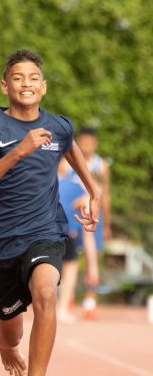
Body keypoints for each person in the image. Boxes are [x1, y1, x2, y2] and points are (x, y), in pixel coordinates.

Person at [0, 49, 99, 376]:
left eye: (33, 77)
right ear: (5, 85)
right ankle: (5, 340)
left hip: (45, 232)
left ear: (44, 86)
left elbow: (69, 145)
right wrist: (20, 151)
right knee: (12, 329)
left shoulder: (58, 126)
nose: (27, 83)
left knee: (45, 294)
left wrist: (94, 191)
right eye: (18, 78)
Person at [70, 127, 111, 318]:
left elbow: (106, 196)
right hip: (73, 217)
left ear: (95, 144)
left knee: (91, 257)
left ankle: (90, 300)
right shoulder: (67, 162)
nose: (86, 147)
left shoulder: (101, 165)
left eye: (89, 143)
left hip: (93, 217)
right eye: (82, 143)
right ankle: (67, 295)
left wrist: (107, 224)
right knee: (68, 257)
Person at [55, 157, 97, 323]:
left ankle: (61, 307)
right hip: (63, 230)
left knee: (64, 267)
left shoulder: (43, 181)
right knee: (68, 268)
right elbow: (88, 198)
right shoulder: (71, 184)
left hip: (55, 230)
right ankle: (61, 308)